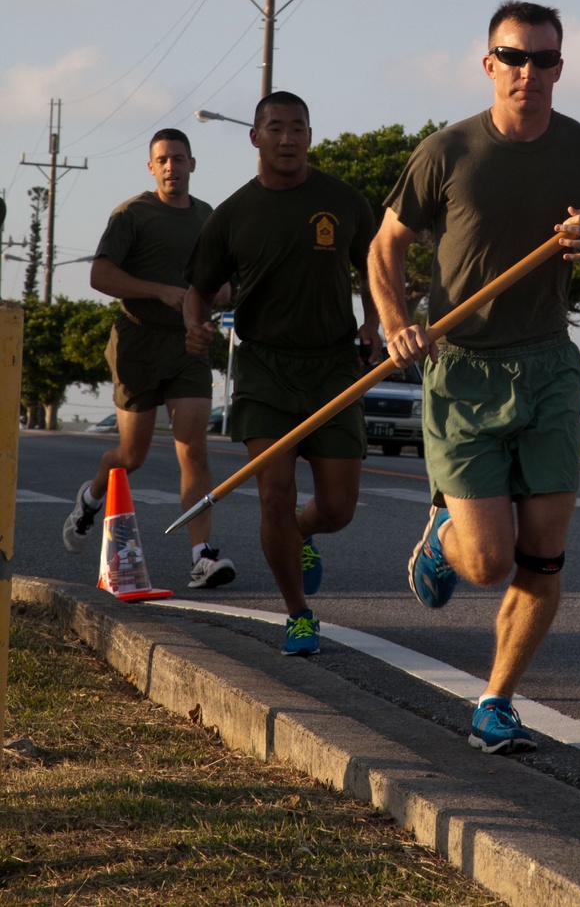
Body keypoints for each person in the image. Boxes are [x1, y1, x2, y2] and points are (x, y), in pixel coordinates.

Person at [368, 0, 580, 755]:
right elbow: (385, 246)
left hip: (548, 368)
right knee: (487, 562)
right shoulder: (448, 152)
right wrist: (394, 320)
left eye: (542, 60)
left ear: (559, 69)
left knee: (543, 550)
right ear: (489, 63)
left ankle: (497, 699)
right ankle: (445, 533)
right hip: (463, 369)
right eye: (513, 57)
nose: (527, 73)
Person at [183, 91, 380, 657]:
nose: (287, 138)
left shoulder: (343, 201)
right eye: (275, 128)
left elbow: (375, 265)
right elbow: (197, 290)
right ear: (255, 137)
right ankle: (298, 615)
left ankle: (305, 531)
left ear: (310, 137)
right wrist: (196, 328)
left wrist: (375, 321)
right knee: (274, 493)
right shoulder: (233, 214)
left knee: (338, 508)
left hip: (335, 367)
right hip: (265, 369)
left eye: (298, 128)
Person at [62, 129, 236, 590]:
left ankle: (202, 556)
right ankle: (91, 497)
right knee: (131, 456)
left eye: (178, 159)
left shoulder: (208, 217)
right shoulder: (132, 214)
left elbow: (225, 283)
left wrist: (219, 293)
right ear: (151, 167)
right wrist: (158, 290)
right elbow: (100, 273)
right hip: (137, 343)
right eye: (162, 159)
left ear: (192, 164)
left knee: (193, 449)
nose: (171, 167)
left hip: (188, 345)